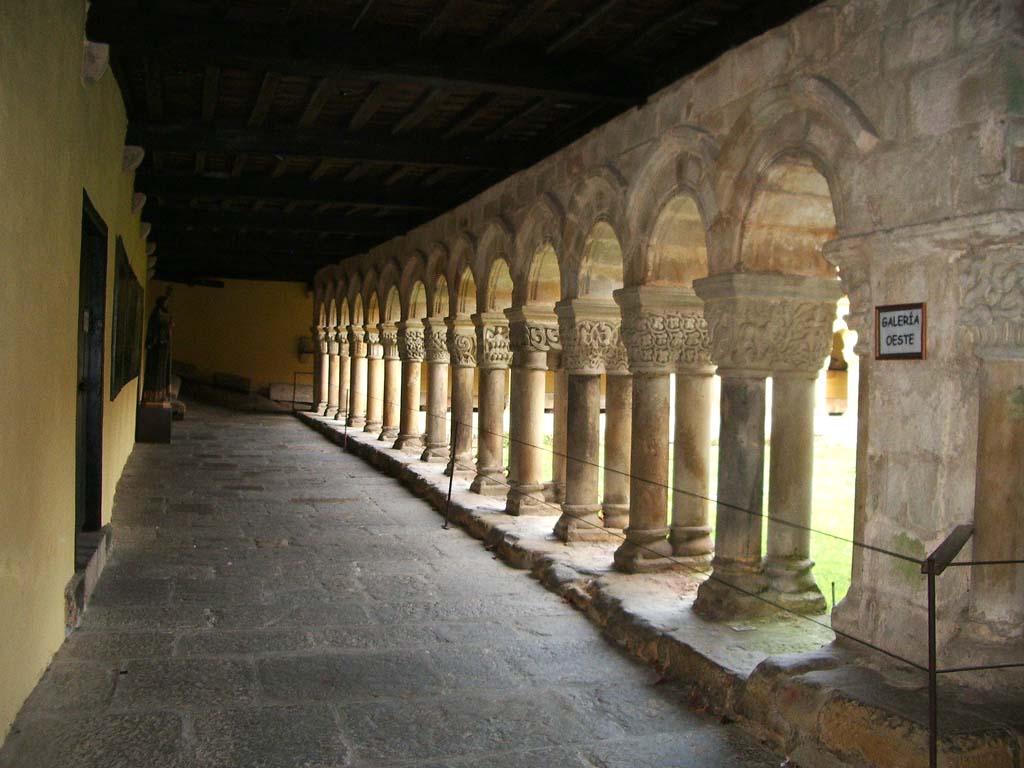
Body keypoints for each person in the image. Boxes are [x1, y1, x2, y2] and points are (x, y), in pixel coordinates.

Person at [141, 295, 172, 404]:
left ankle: (159, 395)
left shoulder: (162, 314)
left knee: (162, 373)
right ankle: (152, 396)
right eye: (166, 302)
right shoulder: (156, 315)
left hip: (163, 350)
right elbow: (155, 331)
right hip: (157, 349)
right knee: (155, 373)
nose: (167, 305)